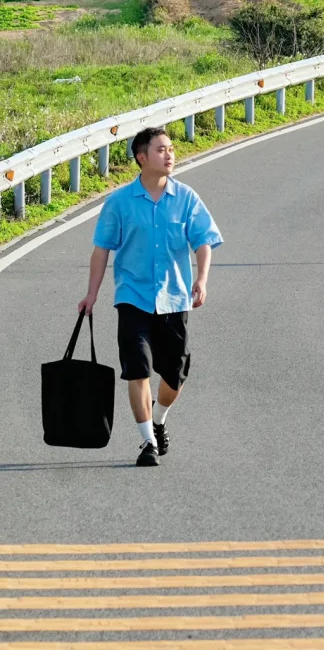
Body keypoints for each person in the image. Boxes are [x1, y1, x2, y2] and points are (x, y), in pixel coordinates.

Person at [77, 127, 222, 467]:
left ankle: (158, 420)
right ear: (142, 158)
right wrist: (91, 295)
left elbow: (203, 242)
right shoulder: (119, 203)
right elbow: (101, 251)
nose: (170, 155)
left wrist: (201, 279)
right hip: (132, 297)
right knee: (137, 368)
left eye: (171, 149)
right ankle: (147, 443)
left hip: (174, 298)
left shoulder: (186, 198)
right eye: (161, 150)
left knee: (174, 374)